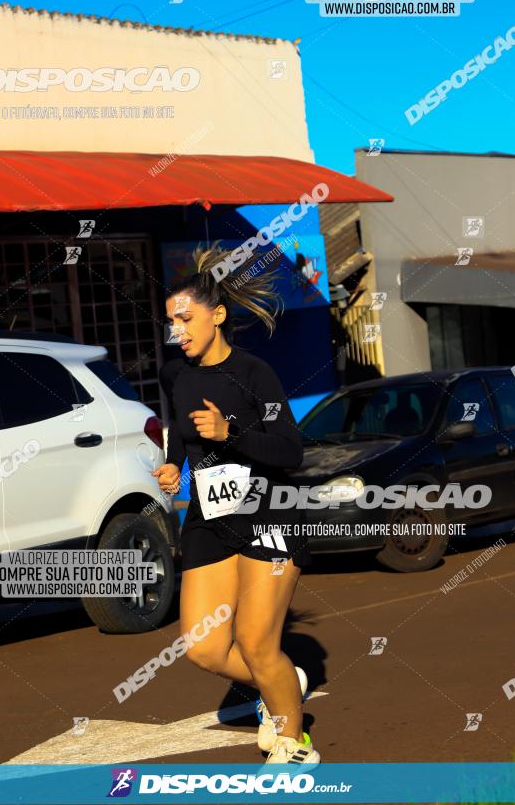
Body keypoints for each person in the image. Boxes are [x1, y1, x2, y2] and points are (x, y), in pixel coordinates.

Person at [151, 244, 319, 766]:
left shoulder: (255, 374)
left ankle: (294, 744)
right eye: (171, 321)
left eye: (186, 318)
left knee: (254, 640)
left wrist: (232, 432)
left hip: (267, 516)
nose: (177, 330)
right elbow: (182, 432)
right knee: (203, 648)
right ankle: (283, 685)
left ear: (217, 315)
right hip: (209, 518)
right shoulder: (175, 374)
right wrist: (176, 463)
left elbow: (290, 451)